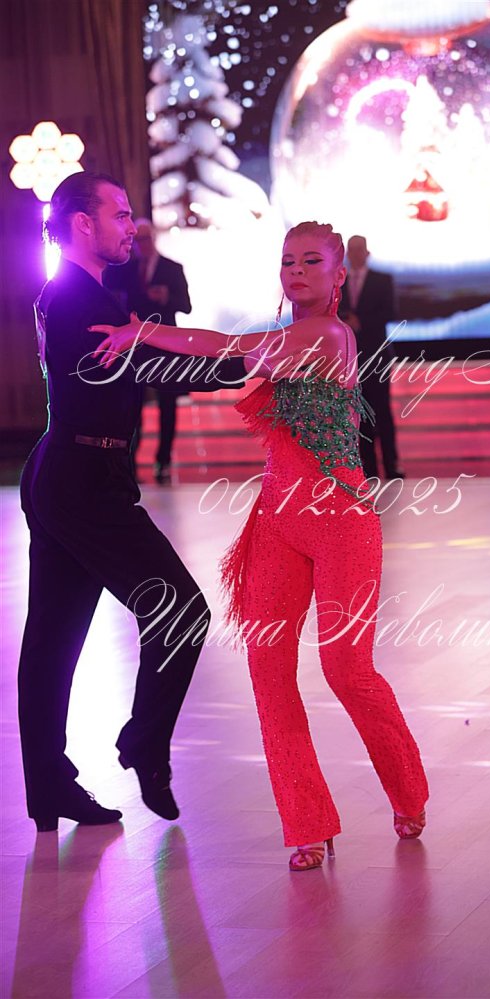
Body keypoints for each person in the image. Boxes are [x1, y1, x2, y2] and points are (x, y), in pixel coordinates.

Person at [91, 221, 429, 871]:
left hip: (341, 520)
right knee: (268, 670)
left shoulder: (329, 335)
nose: (296, 271)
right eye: (287, 261)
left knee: (346, 669)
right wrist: (141, 335)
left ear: (339, 275)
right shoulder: (286, 336)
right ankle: (307, 822)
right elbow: (226, 350)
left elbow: (227, 346)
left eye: (311, 261)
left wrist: (145, 332)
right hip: (276, 519)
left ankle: (408, 790)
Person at [18, 172, 246, 832]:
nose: (131, 225)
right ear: (82, 223)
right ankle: (142, 743)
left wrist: (237, 360)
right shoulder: (75, 297)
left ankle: (49, 787)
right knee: (180, 611)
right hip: (82, 481)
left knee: (53, 640)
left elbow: (145, 358)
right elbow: (156, 366)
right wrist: (250, 362)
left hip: (76, 472)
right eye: (119, 214)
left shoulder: (85, 293)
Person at [104, 219, 192, 483]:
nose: (141, 245)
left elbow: (186, 306)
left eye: (145, 239)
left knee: (168, 404)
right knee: (133, 403)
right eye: (137, 240)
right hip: (136, 346)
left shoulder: (172, 268)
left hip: (166, 344)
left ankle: (163, 461)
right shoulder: (125, 270)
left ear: (153, 238)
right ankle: (131, 461)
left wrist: (166, 298)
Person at [339, 235, 404, 480]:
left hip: (377, 355)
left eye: (359, 249)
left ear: (367, 252)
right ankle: (367, 467)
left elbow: (390, 312)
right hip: (350, 357)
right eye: (352, 249)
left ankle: (391, 464)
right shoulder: (340, 281)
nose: (356, 253)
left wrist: (361, 321)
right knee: (359, 412)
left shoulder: (382, 280)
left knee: (382, 411)